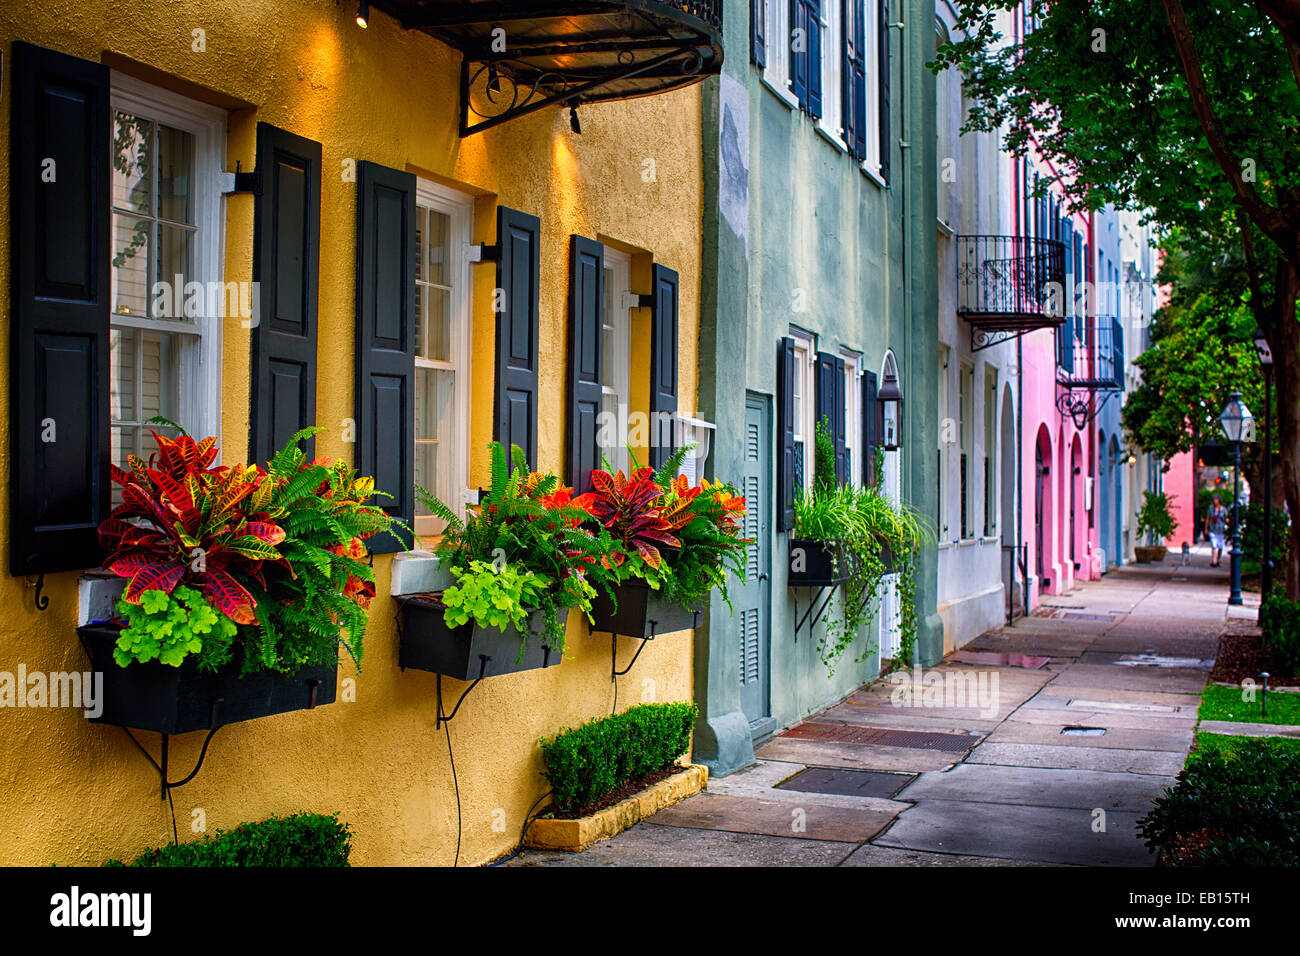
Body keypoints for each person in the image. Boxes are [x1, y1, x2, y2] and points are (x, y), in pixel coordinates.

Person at [1205, 495, 1228, 568]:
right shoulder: (1211, 508)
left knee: (1220, 546)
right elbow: (1208, 518)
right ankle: (1214, 561)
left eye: (1216, 499)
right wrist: (1206, 528)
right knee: (1213, 545)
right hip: (1212, 529)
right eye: (1214, 499)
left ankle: (1218, 559)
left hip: (1221, 530)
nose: (1215, 501)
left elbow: (1226, 519)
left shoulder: (1223, 509)